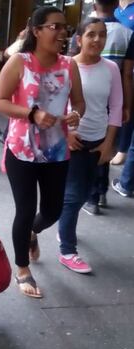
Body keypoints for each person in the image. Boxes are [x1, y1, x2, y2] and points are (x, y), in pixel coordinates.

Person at [0, 6, 85, 298]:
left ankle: (32, 232)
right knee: (24, 209)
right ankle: (22, 268)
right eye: (55, 27)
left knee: (52, 210)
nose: (61, 33)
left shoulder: (69, 65)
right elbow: (0, 102)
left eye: (64, 28)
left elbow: (79, 103)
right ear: (37, 30)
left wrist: (75, 116)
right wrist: (31, 114)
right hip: (21, 150)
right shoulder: (20, 62)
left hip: (57, 151)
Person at [58, 18, 122, 274]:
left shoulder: (111, 69)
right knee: (73, 197)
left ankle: (60, 227)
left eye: (102, 35)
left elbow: (116, 106)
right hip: (71, 141)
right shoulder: (65, 66)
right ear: (79, 39)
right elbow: (54, 102)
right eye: (91, 34)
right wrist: (66, 133)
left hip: (98, 141)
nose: (97, 40)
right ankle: (67, 250)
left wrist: (109, 144)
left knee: (84, 193)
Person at [83, 0, 134, 214]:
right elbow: (128, 74)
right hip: (114, 98)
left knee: (87, 146)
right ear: (116, 6)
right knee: (106, 145)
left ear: (94, 4)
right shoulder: (127, 33)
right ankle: (100, 192)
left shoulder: (85, 31)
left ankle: (91, 197)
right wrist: (126, 105)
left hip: (87, 98)